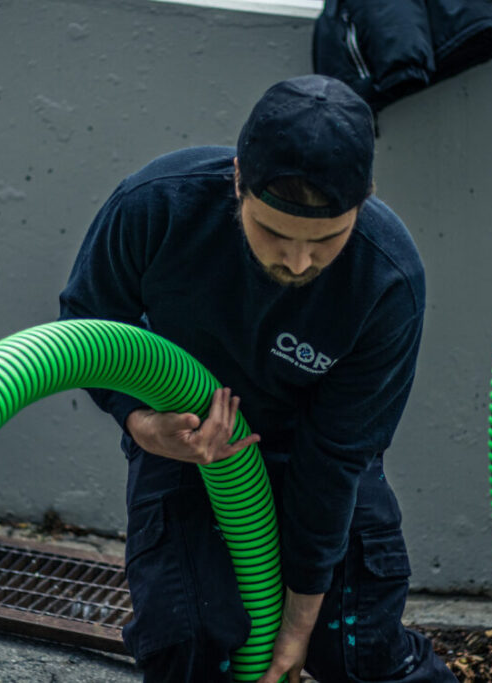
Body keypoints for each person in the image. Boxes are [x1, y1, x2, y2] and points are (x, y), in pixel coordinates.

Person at [59, 74, 456, 683]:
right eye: (273, 232)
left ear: (365, 198)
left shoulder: (387, 279)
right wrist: (141, 424)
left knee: (354, 653)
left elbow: (339, 455)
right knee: (192, 644)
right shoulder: (158, 206)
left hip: (314, 457)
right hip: (187, 443)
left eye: (326, 240)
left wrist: (297, 629)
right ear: (238, 180)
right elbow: (88, 323)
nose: (297, 261)